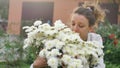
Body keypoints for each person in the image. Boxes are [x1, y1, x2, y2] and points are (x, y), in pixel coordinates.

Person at [30, 1, 106, 68]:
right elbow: (38, 63)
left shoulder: (95, 40)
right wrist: (34, 66)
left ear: (90, 28)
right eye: (73, 24)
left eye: (81, 26)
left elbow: (100, 65)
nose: (75, 29)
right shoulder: (61, 39)